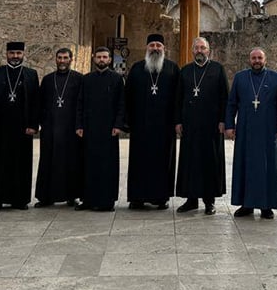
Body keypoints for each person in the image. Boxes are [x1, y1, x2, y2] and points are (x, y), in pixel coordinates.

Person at [225, 47, 277, 219]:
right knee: (244, 167)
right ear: (249, 60)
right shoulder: (240, 78)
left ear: (265, 60)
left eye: (259, 58)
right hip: (245, 131)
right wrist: (230, 126)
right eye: (253, 58)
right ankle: (246, 204)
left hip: (268, 132)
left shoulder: (276, 78)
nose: (256, 61)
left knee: (267, 168)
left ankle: (266, 206)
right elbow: (231, 104)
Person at [0, 41, 39, 211]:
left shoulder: (30, 74)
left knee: (20, 164)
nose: (15, 56)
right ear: (6, 54)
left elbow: (35, 101)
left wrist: (33, 125)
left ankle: (19, 200)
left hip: (22, 128)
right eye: (12, 53)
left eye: (18, 53)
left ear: (23, 55)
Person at [174, 37, 228, 215]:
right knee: (190, 161)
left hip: (212, 126)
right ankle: (191, 199)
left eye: (202, 48)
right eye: (196, 48)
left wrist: (223, 120)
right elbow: (178, 99)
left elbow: (224, 98)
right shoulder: (185, 71)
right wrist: (178, 121)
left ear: (208, 50)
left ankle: (209, 201)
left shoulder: (217, 70)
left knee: (209, 162)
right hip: (190, 125)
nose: (199, 51)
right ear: (192, 51)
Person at [125, 34, 179, 210]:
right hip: (141, 126)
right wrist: (127, 121)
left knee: (163, 162)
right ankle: (137, 197)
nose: (155, 48)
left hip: (165, 127)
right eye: (152, 45)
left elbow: (179, 98)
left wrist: (178, 121)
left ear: (164, 48)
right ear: (147, 48)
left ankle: (160, 197)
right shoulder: (136, 69)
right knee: (139, 161)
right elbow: (128, 97)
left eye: (158, 45)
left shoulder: (172, 69)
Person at [76, 47, 126, 211]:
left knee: (107, 165)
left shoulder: (117, 79)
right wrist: (79, 125)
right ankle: (88, 199)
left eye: (105, 57)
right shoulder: (86, 79)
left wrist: (118, 125)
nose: (102, 60)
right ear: (93, 58)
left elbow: (121, 104)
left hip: (109, 129)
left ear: (110, 59)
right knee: (88, 164)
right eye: (99, 57)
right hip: (89, 128)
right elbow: (80, 103)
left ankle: (107, 200)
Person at [35, 47, 84, 208]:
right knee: (48, 162)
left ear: (71, 59)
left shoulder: (78, 79)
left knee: (70, 162)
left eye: (65, 58)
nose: (62, 61)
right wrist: (41, 122)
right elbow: (40, 103)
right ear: (55, 59)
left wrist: (79, 125)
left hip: (70, 129)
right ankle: (46, 197)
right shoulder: (48, 79)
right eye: (59, 58)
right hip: (50, 128)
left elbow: (81, 104)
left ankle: (71, 196)